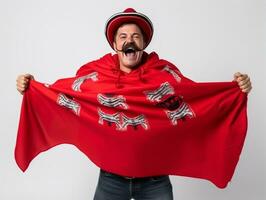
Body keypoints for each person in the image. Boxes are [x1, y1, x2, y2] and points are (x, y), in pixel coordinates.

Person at [16, 8, 252, 200]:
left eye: (136, 37)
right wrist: (32, 88)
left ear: (144, 43)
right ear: (115, 45)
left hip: (155, 182)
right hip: (110, 181)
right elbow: (64, 95)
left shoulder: (165, 74)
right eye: (123, 37)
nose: (130, 42)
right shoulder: (95, 75)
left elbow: (198, 101)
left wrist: (235, 90)